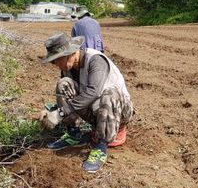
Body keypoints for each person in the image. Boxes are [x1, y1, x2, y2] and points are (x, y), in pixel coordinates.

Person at [36, 32, 133, 173]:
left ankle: (100, 147)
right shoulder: (68, 69)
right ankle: (73, 133)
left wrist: (60, 114)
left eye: (57, 60)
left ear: (72, 52)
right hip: (97, 111)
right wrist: (54, 111)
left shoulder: (95, 60)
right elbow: (74, 100)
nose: (55, 64)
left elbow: (93, 92)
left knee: (109, 93)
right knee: (64, 84)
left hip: (118, 111)